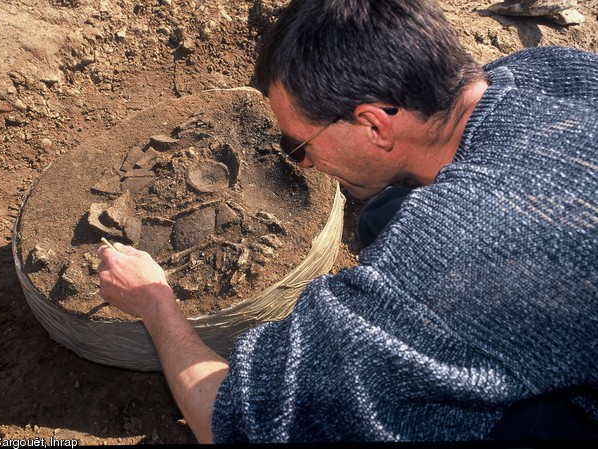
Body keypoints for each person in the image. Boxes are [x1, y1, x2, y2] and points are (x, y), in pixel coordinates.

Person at [96, 0, 598, 443]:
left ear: (374, 125)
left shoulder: (455, 251)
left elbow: (239, 425)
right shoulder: (553, 68)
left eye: (299, 146)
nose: (304, 164)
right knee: (384, 213)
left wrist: (156, 304)